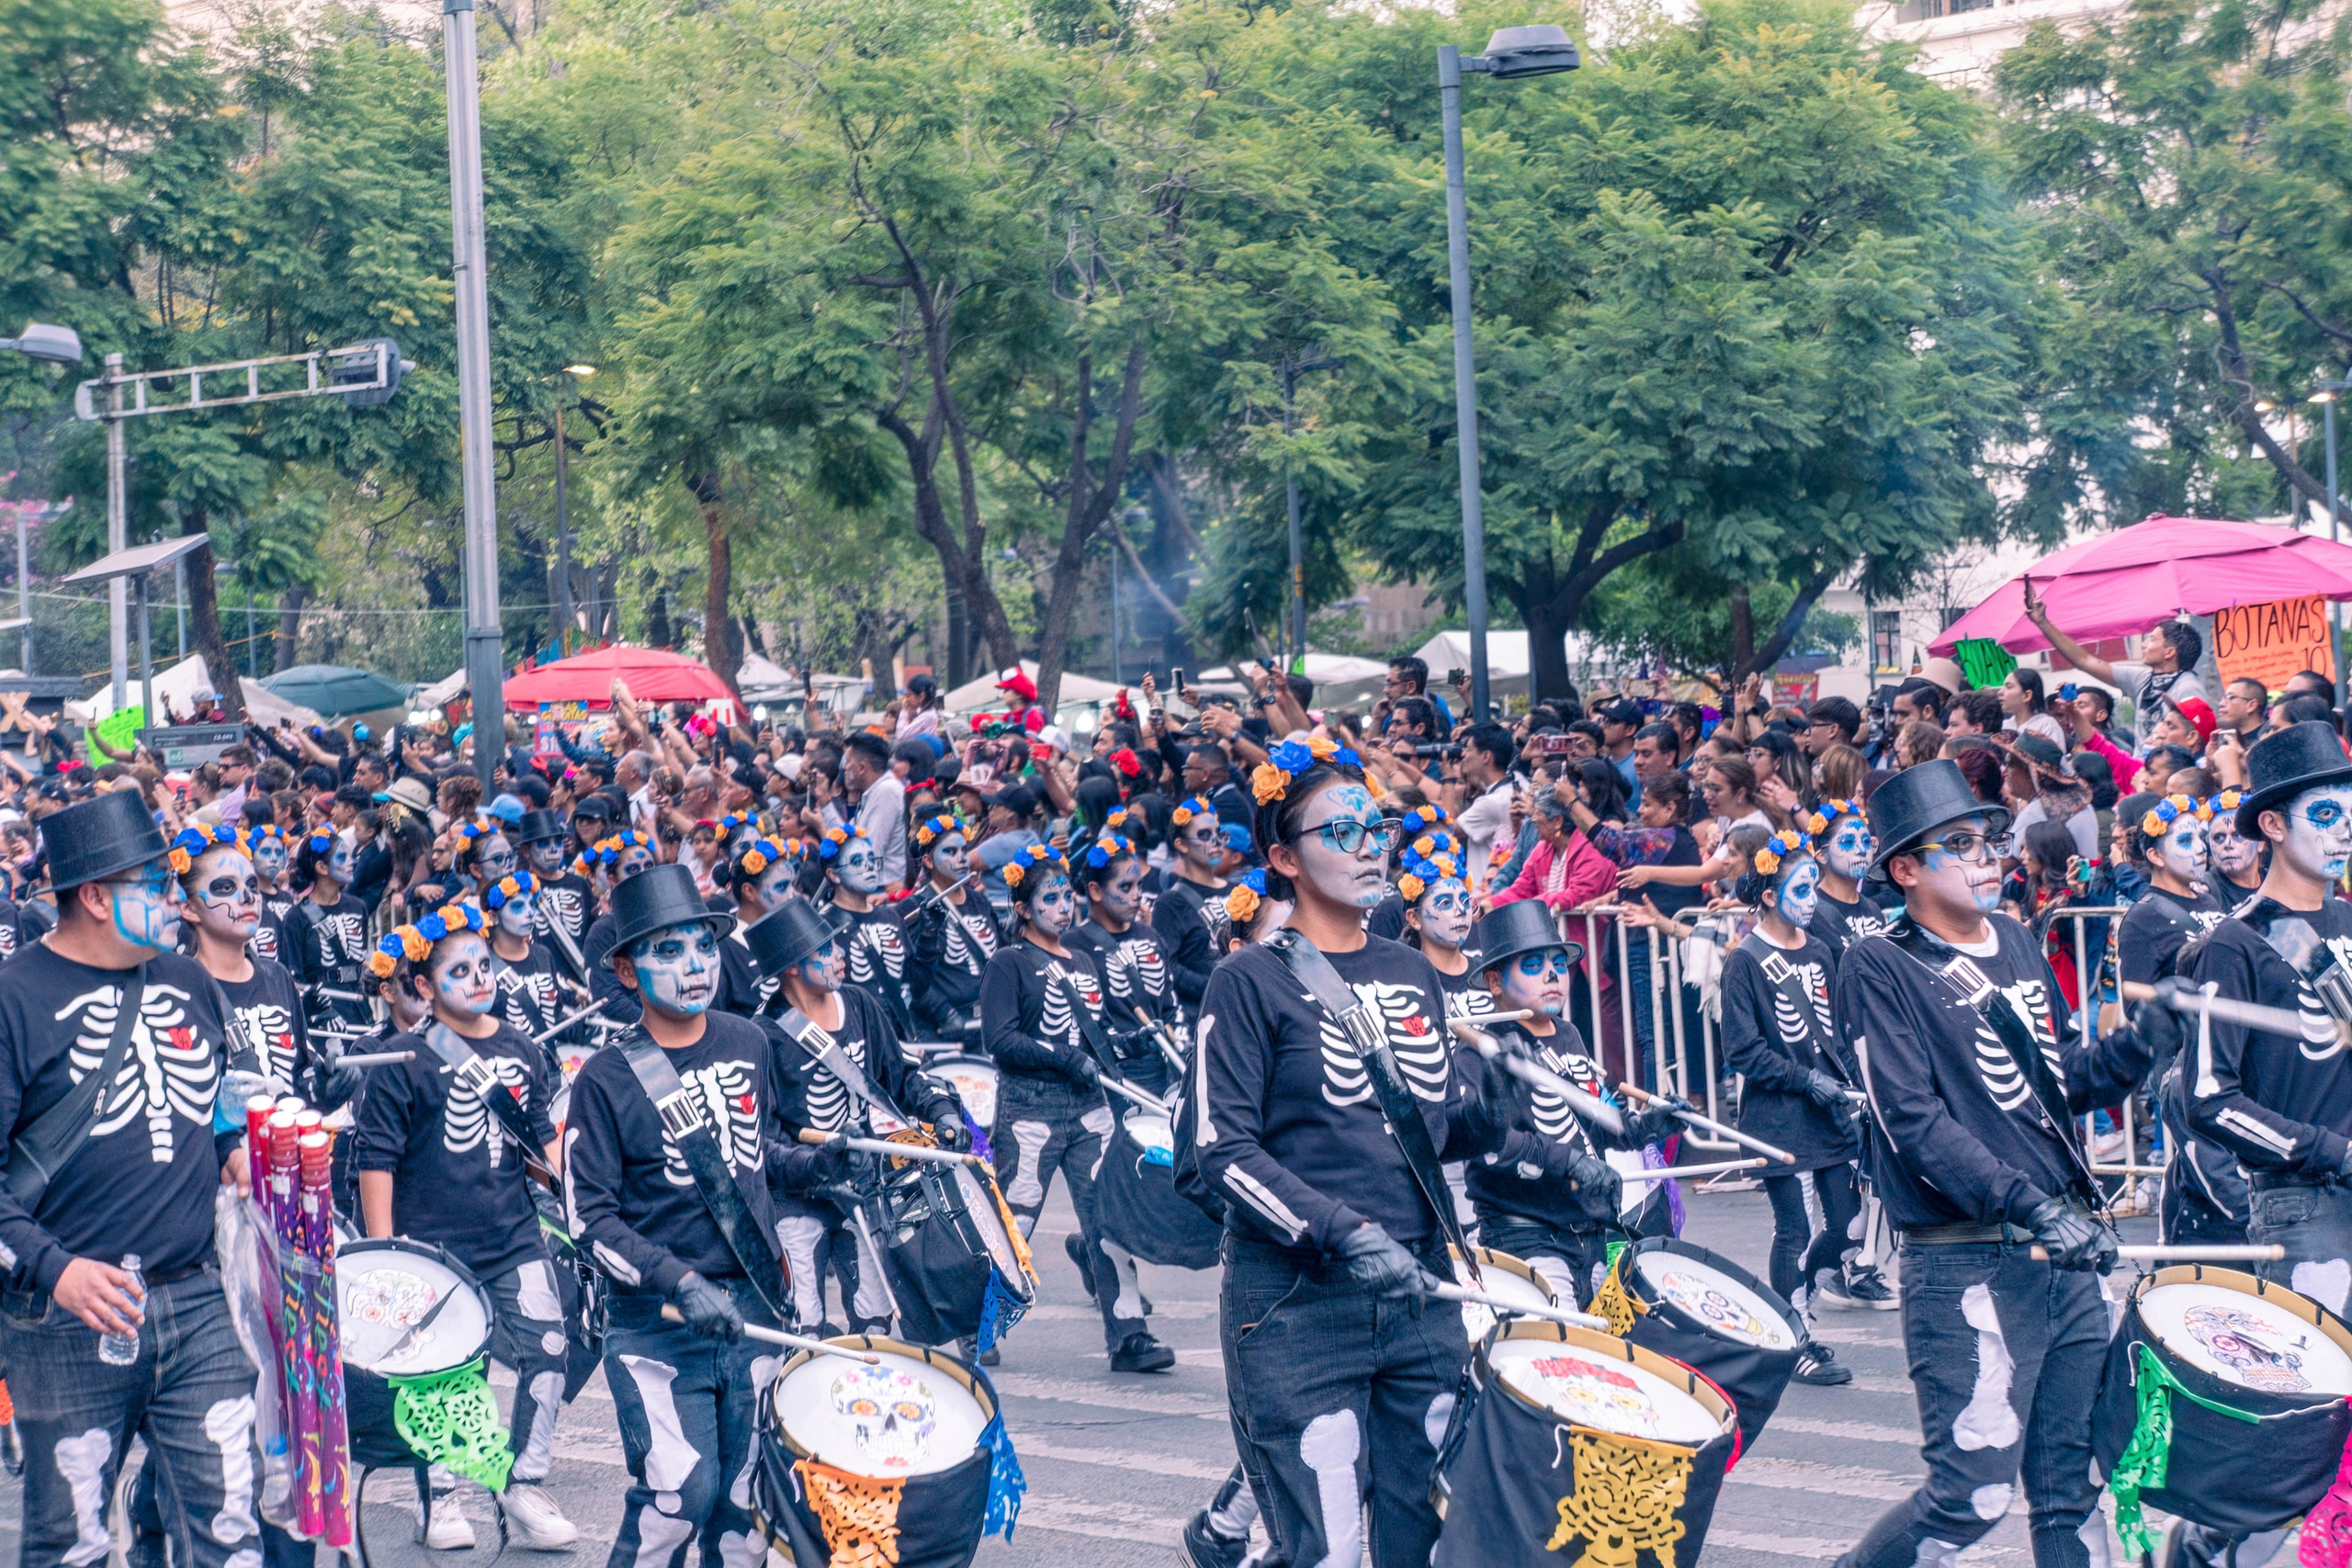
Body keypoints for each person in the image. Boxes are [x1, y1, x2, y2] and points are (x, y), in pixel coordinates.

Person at [1176, 737, 1514, 1568]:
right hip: (1296, 1302)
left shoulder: (1411, 968)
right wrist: (1340, 1231)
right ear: (1283, 857)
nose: (1369, 850)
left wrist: (1499, 1113)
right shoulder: (1249, 979)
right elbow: (1222, 1149)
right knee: (1326, 1551)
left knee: (1422, 1543)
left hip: (1420, 1293)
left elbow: (1424, 1129)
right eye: (1342, 833)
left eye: (1376, 830)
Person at [1831, 760, 2175, 1568]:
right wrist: (2029, 1203)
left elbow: (2055, 1088)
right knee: (1970, 1497)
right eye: (1957, 844)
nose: (1986, 857)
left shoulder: (2017, 939)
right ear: (1905, 869)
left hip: (2064, 1254)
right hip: (1969, 1263)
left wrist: (2134, 1050)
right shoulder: (1881, 965)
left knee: (2074, 1488)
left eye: (1988, 838)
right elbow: (1910, 1118)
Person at [0, 790, 259, 1568]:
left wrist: (235, 1147)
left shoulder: (186, 979)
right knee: (70, 1543)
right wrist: (57, 1269)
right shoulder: (15, 998)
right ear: (94, 896)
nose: (178, 903)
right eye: (156, 884)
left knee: (230, 1530)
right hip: (67, 1316)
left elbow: (219, 1096)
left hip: (199, 1299)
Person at [562, 865, 827, 1568]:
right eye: (668, 951)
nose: (695, 966)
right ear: (626, 970)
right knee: (682, 1492)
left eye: (703, 947)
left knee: (747, 1499)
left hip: (757, 1305)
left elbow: (758, 1152)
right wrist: (676, 1280)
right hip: (659, 1323)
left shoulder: (749, 1040)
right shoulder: (606, 1078)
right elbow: (588, 1217)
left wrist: (817, 1168)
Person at [356, 902, 578, 1550]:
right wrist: (386, 1258)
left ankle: (525, 1481)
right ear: (423, 986)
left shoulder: (523, 1048)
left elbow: (540, 1143)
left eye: (485, 965)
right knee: (443, 1374)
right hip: (430, 1249)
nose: (481, 977)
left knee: (549, 1349)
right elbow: (377, 1161)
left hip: (513, 1236)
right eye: (461, 969)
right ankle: (443, 1494)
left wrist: (578, 1193)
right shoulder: (402, 1056)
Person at [983, 843, 1176, 1373]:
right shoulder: (1009, 962)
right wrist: (1066, 1058)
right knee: (1017, 1216)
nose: (1062, 907)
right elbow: (1000, 1039)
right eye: (1049, 898)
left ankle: (1130, 1335)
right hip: (1031, 1108)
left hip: (1090, 1109)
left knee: (1107, 1219)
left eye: (1065, 897)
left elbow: (1096, 1033)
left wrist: (1133, 1043)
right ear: (1022, 908)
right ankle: (980, 1324)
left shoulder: (1084, 959)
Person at [750, 897, 967, 1336]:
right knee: (803, 1326)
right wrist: (815, 1163)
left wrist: (941, 1111)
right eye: (826, 949)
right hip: (796, 1197)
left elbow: (901, 1078)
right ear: (792, 966)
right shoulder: (761, 1035)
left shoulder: (861, 1005)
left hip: (862, 1187)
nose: (840, 955)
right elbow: (762, 1139)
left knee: (875, 1322)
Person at [1459, 898, 1674, 1308]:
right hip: (1526, 1233)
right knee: (1561, 1346)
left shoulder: (1569, 1034)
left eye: (1558, 962)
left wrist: (1646, 1126)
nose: (1553, 974)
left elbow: (1597, 1121)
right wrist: (1567, 1162)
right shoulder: (1483, 1050)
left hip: (1587, 1230)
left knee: (1606, 1350)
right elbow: (1492, 1145)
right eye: (1534, 965)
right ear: (1494, 981)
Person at [1715, 830, 1866, 1376]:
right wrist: (1806, 1080)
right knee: (1795, 1230)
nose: (1813, 898)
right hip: (1779, 1121)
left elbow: (1838, 1035)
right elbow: (1743, 1050)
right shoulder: (1746, 961)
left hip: (1828, 1116)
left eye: (1815, 887)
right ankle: (1795, 1339)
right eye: (1802, 888)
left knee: (1851, 1226)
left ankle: (1796, 1298)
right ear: (1771, 895)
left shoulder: (1822, 951)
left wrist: (1854, 1083)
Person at [2024, 592, 2207, 755]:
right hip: (2143, 773)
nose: (2143, 645)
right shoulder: (2142, 678)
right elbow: (2085, 661)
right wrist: (2042, 622)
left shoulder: (2188, 689)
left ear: (2169, 652)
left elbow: (2197, 742)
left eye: (2152, 639)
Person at [903, 812, 1001, 1043]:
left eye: (965, 850)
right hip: (943, 1030)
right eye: (950, 851)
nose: (962, 858)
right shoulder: (915, 908)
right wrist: (943, 1012)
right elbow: (912, 975)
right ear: (928, 860)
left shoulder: (980, 902)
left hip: (989, 1021)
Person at [819, 825, 913, 1035]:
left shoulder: (891, 916)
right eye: (857, 862)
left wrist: (929, 938)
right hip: (854, 1034)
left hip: (897, 1030)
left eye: (871, 860)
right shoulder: (822, 924)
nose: (869, 867)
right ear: (833, 875)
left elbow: (914, 979)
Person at [280, 828, 372, 1032]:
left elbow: (358, 957)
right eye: (342, 857)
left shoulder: (358, 907)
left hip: (358, 1005)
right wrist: (320, 1009)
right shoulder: (296, 918)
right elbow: (292, 976)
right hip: (320, 1011)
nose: (352, 862)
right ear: (321, 867)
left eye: (350, 856)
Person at [1153, 795, 1232, 1007]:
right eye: (1205, 835)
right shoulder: (1169, 904)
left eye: (1219, 833)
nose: (1216, 842)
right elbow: (1168, 966)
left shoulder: (1238, 890)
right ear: (1182, 844)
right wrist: (1214, 986)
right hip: (1203, 1012)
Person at [1398, 837, 1490, 1018]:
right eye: (1445, 903)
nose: (1461, 911)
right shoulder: (1400, 978)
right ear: (1414, 918)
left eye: (1465, 901)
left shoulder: (1489, 973)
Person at [715, 832, 801, 1018]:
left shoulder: (794, 933)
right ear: (749, 891)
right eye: (782, 887)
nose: (792, 895)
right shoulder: (722, 951)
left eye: (793, 885)